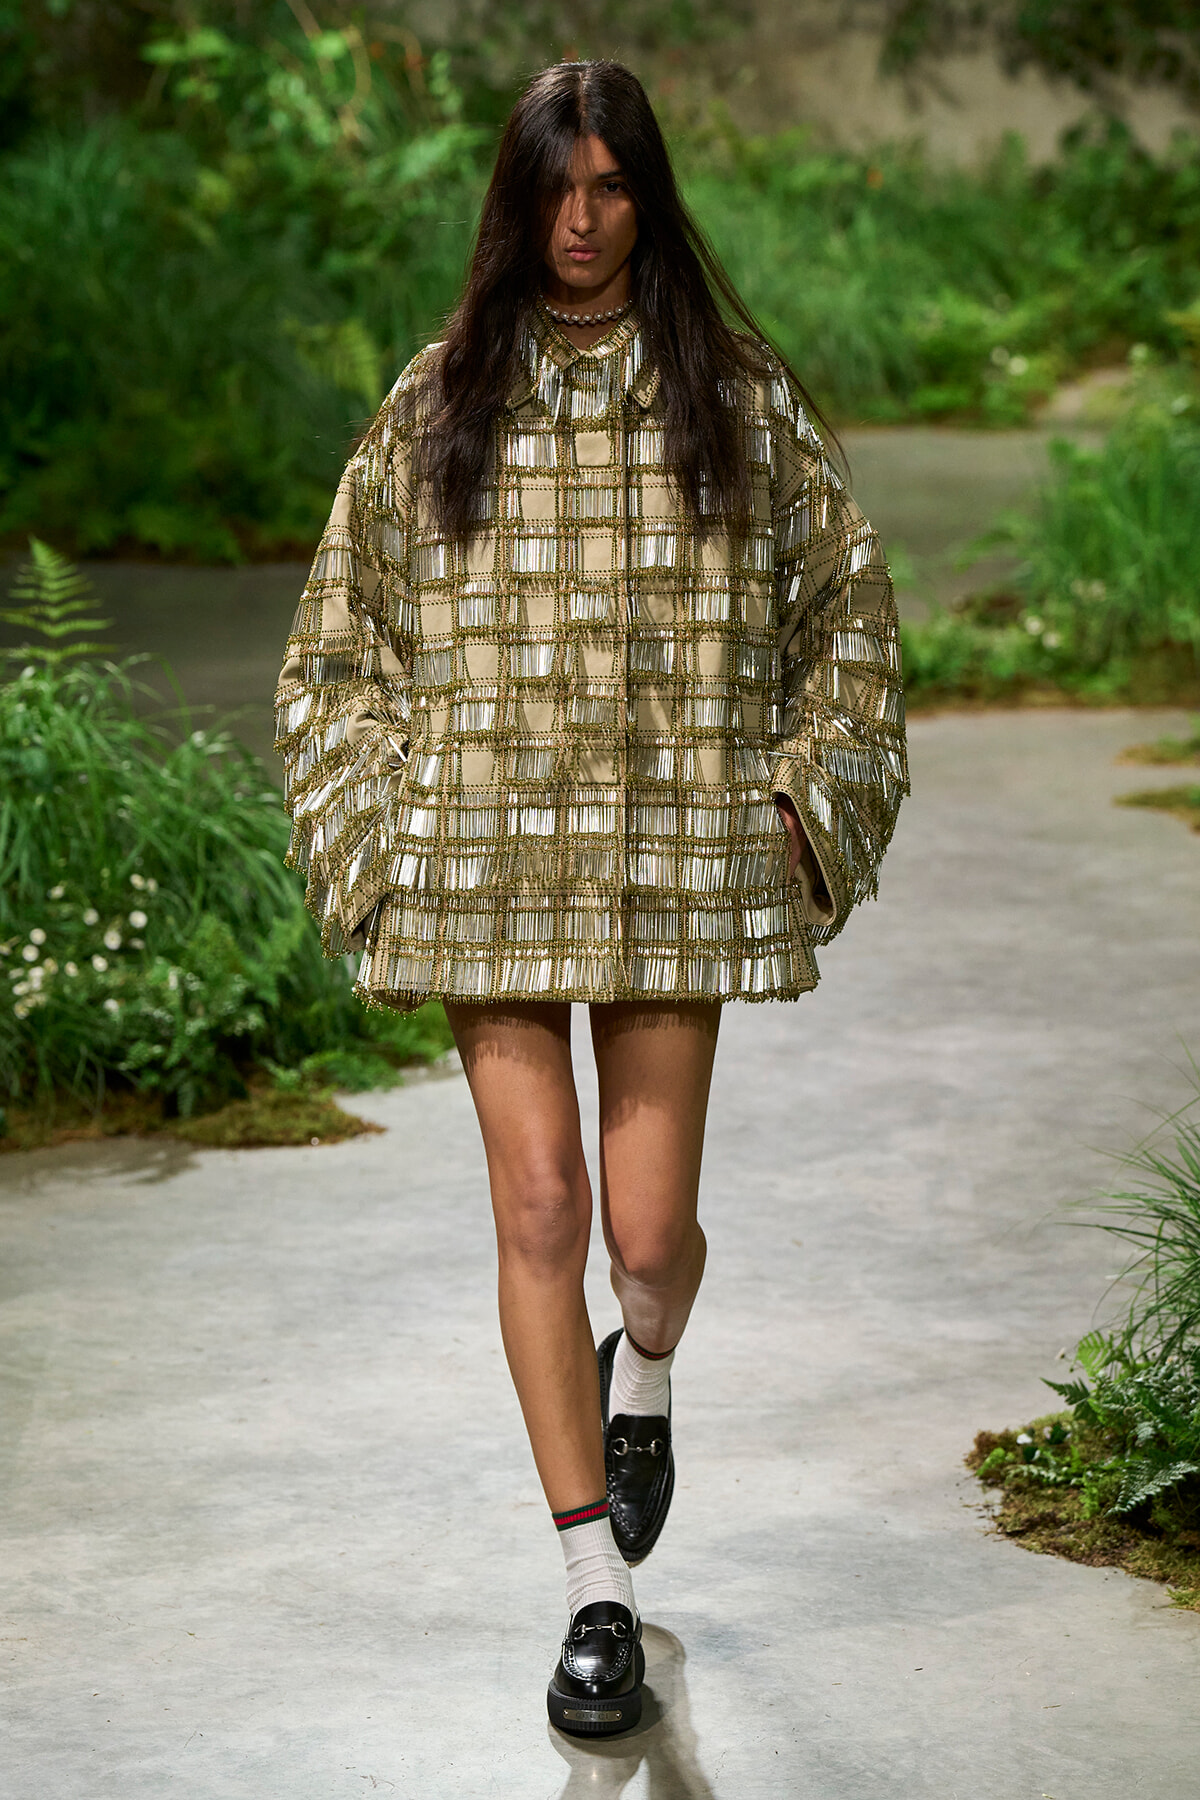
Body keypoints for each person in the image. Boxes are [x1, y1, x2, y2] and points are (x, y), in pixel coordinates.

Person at [275, 58, 907, 1738]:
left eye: (612, 188)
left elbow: (848, 612)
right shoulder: (438, 403)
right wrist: (376, 838)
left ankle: (653, 1369)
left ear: (648, 199)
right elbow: (340, 649)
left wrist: (793, 812)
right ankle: (593, 1596)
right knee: (538, 1213)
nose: (580, 219)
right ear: (517, 201)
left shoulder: (737, 397)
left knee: (641, 1241)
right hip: (486, 867)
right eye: (556, 188)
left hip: (664, 866)